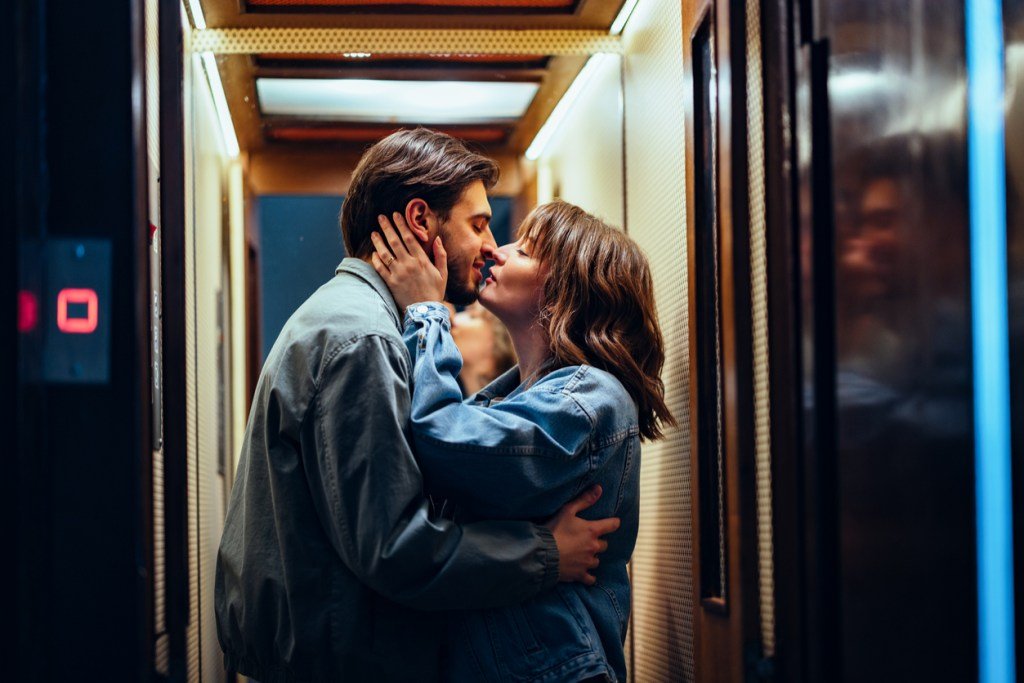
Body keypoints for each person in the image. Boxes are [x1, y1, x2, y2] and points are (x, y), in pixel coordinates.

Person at [215, 129, 621, 682]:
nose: (489, 247)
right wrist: (545, 551)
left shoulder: (351, 320)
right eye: (478, 225)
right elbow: (395, 546)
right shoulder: (365, 339)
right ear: (420, 220)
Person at [370, 200, 675, 682]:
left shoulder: (591, 398)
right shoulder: (518, 395)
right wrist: (547, 548)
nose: (497, 250)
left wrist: (427, 312)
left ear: (569, 288)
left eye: (527, 250)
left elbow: (440, 439)